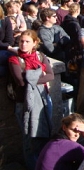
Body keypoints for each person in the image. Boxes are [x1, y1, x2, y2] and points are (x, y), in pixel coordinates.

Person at [8, 30, 55, 170]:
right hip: (24, 102)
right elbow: (21, 82)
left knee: (45, 133)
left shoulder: (40, 56)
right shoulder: (14, 59)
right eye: (21, 41)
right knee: (28, 138)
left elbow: (51, 76)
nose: (23, 44)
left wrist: (31, 77)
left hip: (43, 99)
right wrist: (40, 75)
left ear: (35, 43)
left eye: (27, 41)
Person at [0, 4, 14, 77]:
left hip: (3, 49)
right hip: (4, 48)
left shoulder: (5, 20)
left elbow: (10, 41)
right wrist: (6, 46)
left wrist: (6, 46)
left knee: (13, 59)